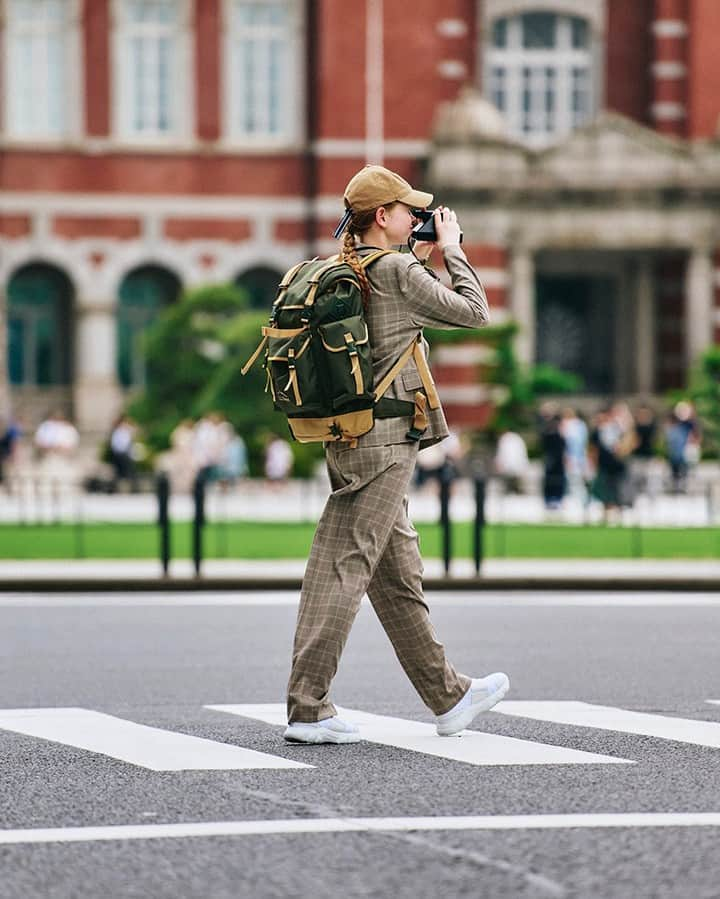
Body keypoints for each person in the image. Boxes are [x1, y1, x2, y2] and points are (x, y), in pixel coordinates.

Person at [284, 164, 509, 745]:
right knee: (345, 565)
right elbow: (475, 311)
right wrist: (453, 249)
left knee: (396, 573)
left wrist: (424, 253)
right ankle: (309, 708)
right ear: (382, 217)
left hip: (351, 432)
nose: (418, 219)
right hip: (385, 441)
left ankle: (448, 695)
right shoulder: (396, 267)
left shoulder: (345, 265)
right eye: (409, 211)